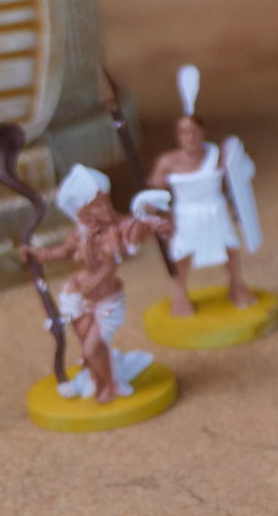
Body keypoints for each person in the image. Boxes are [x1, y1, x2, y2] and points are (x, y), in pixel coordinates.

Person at [22, 165, 170, 404]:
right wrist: (36, 254)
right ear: (83, 211)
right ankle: (97, 381)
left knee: (92, 348)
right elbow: (63, 252)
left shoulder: (121, 229)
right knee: (90, 350)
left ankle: (110, 385)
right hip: (77, 296)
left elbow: (142, 225)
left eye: (106, 201)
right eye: (97, 205)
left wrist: (157, 225)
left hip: (107, 300)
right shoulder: (79, 235)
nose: (106, 208)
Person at [146, 64, 262, 316]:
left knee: (230, 249)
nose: (189, 137)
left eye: (193, 132)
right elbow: (154, 191)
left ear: (201, 132)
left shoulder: (217, 155)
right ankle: (180, 296)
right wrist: (152, 213)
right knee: (182, 255)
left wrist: (237, 209)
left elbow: (233, 182)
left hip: (216, 209)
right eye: (184, 132)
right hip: (187, 214)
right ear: (178, 135)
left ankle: (237, 286)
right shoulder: (167, 162)